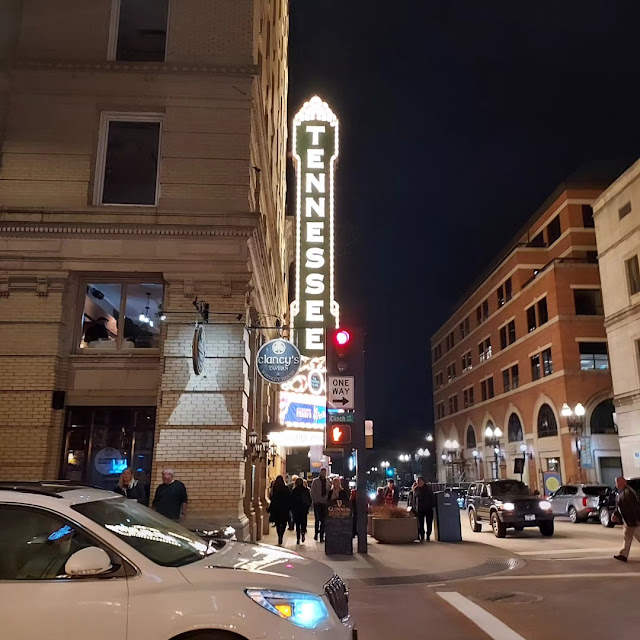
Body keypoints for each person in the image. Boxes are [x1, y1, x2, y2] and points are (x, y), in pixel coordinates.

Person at [612, 476, 640, 562]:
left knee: (629, 536)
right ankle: (623, 555)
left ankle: (623, 555)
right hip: (628, 520)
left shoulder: (628, 493)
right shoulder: (621, 492)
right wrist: (615, 514)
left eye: (617, 482)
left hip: (631, 520)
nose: (616, 484)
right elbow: (619, 505)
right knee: (628, 536)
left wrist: (637, 520)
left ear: (622, 482)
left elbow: (634, 507)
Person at [268, 475, 292, 546]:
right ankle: (282, 534)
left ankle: (279, 535)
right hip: (284, 509)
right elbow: (289, 498)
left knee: (278, 524)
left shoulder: (274, 489)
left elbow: (272, 499)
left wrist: (271, 508)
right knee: (284, 523)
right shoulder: (286, 488)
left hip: (277, 509)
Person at [411, 477, 435, 542]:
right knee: (420, 524)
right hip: (419, 509)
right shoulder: (416, 489)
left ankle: (428, 536)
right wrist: (414, 508)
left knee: (429, 523)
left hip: (428, 509)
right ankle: (422, 536)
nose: (417, 482)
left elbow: (432, 498)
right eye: (417, 481)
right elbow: (414, 499)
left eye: (419, 481)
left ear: (423, 482)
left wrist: (432, 506)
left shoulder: (428, 489)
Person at [291, 477, 312, 544]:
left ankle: (298, 538)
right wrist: (307, 507)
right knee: (303, 522)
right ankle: (303, 533)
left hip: (296, 510)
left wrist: (292, 509)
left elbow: (292, 500)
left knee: (297, 524)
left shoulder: (294, 490)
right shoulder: (305, 490)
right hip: (304, 509)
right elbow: (309, 499)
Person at [311, 467, 329, 542]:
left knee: (323, 520)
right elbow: (312, 491)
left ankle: (321, 536)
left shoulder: (327, 481)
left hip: (324, 503)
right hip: (318, 503)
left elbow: (329, 491)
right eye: (322, 472)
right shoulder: (315, 481)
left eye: (325, 472)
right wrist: (315, 500)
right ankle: (316, 534)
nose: (323, 474)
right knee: (317, 519)